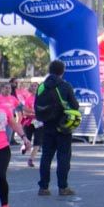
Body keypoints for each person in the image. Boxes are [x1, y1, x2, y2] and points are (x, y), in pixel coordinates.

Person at [36, 60, 79, 196]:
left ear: (49, 70)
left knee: (46, 157)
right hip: (63, 126)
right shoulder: (65, 86)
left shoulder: (42, 86)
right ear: (62, 71)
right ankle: (63, 187)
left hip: (47, 126)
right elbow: (75, 105)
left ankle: (43, 187)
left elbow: (36, 106)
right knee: (63, 157)